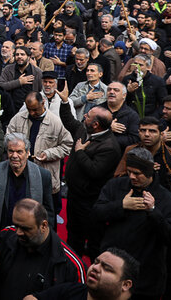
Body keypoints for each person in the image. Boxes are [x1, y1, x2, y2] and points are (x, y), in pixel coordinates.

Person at [92, 147, 171, 300]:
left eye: (137, 173)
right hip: (109, 274)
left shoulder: (168, 200)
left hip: (145, 281)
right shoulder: (116, 186)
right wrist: (120, 206)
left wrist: (154, 212)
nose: (132, 177)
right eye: (129, 171)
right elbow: (96, 213)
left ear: (149, 172)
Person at [0, 198, 86, 300]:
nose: (18, 232)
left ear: (43, 226)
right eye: (16, 225)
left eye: (25, 228)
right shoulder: (7, 236)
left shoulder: (70, 265)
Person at [59, 87, 122, 259]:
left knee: (91, 239)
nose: (84, 116)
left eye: (87, 116)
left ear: (96, 124)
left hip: (90, 201)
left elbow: (94, 171)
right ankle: (72, 266)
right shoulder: (84, 130)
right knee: (72, 234)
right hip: (74, 195)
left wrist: (79, 152)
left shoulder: (110, 147)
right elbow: (69, 121)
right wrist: (65, 102)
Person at [0, 131, 55, 241]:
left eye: (19, 152)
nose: (14, 156)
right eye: (11, 151)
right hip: (1, 233)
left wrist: (46, 237)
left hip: (29, 236)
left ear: (28, 153)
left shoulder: (42, 175)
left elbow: (48, 211)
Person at [6, 92, 73, 213]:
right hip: (20, 173)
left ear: (43, 103)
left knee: (45, 211)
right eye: (29, 109)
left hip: (45, 172)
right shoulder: (18, 119)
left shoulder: (56, 122)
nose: (32, 113)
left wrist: (49, 154)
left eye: (35, 109)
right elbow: (8, 138)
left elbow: (67, 145)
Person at [26, 248, 138, 300]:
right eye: (96, 262)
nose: (95, 268)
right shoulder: (71, 290)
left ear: (126, 285)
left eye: (107, 268)